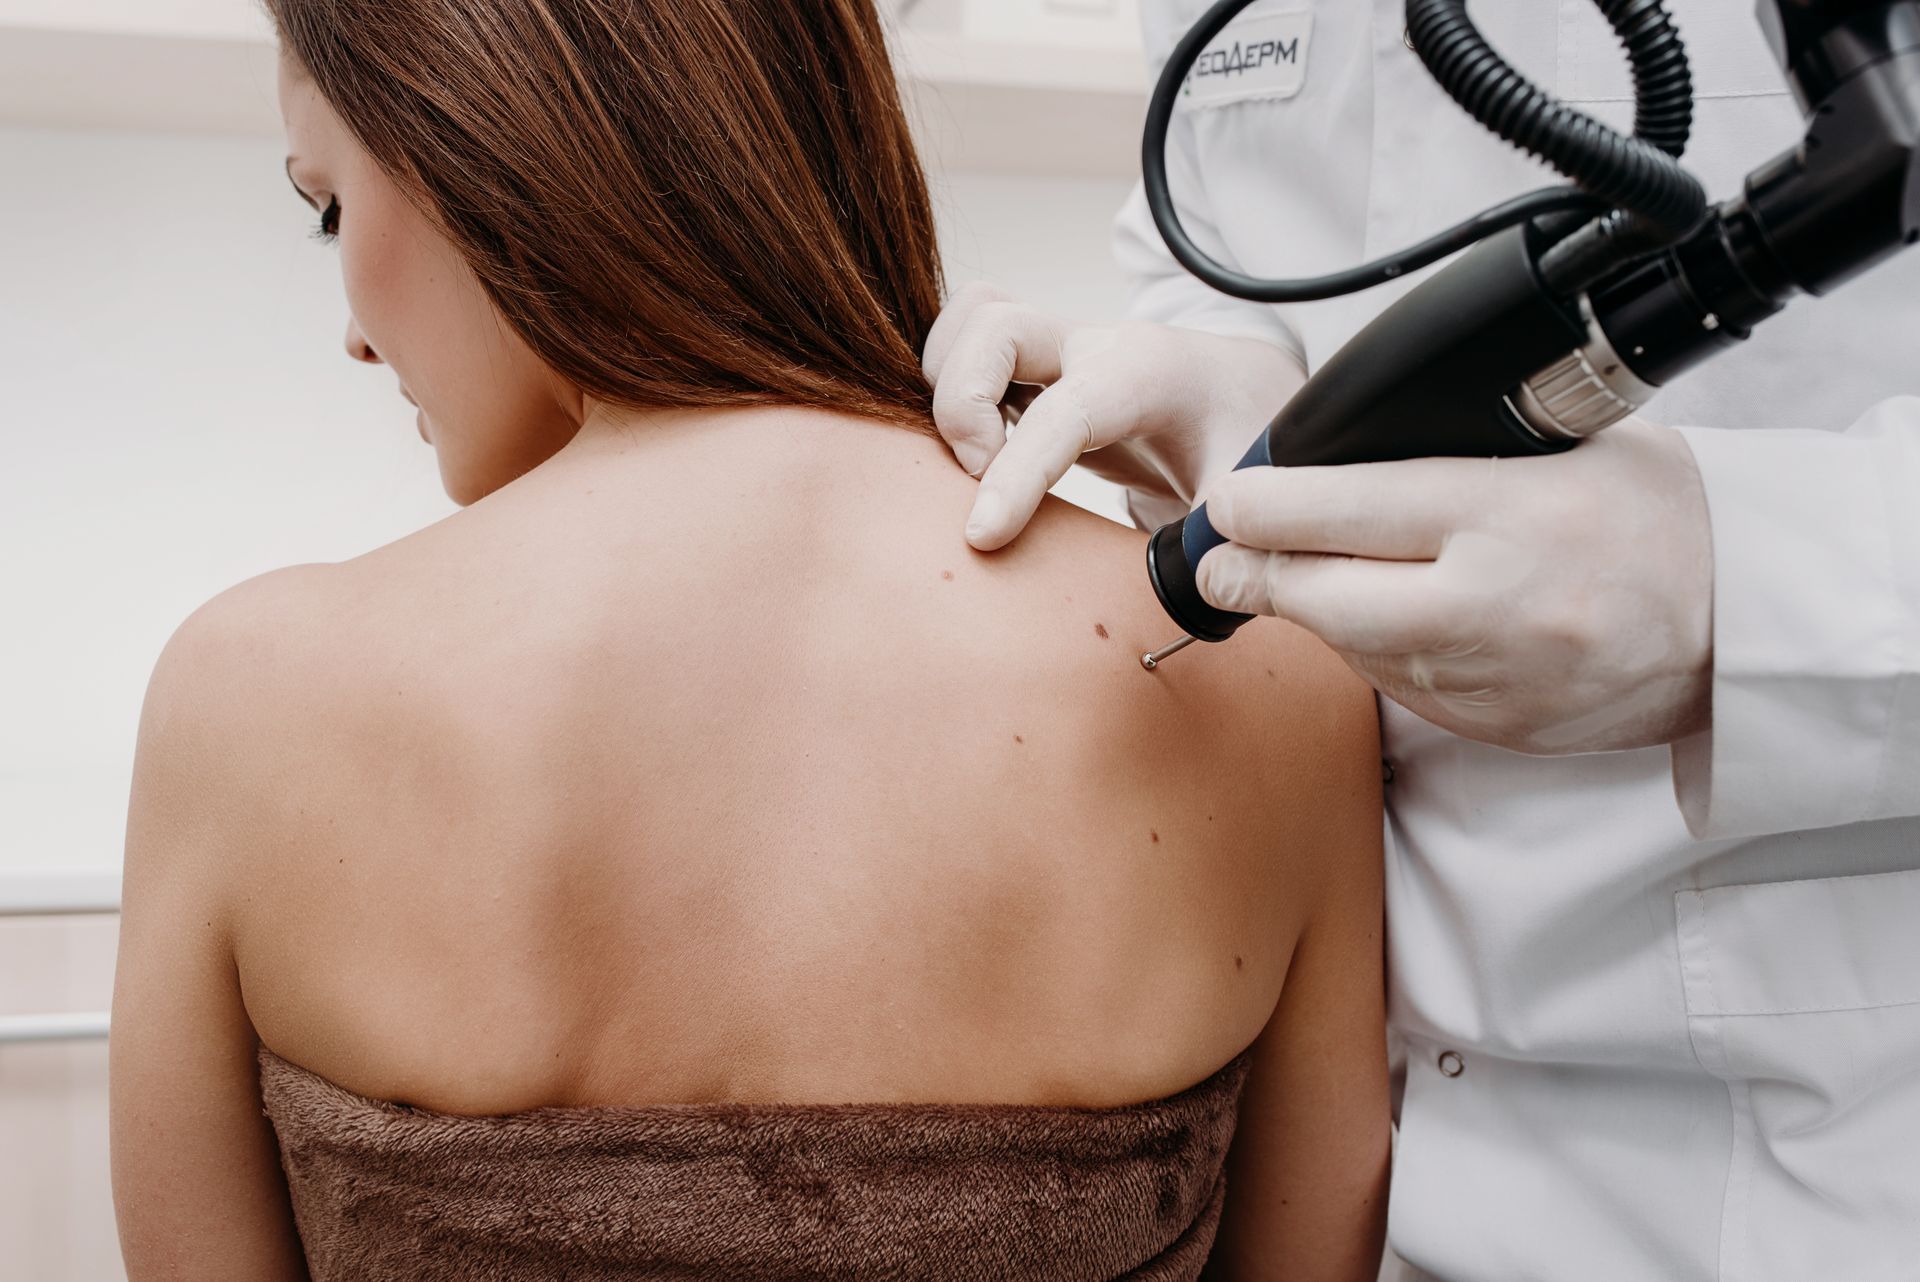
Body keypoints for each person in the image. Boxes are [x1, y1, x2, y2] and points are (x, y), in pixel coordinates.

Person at [108, 2, 1393, 1278]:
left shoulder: (248, 702)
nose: (350, 327)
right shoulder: (1268, 676)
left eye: (332, 205)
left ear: (472, 138)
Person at [922, 1, 1920, 1278]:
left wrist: (1750, 591)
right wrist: (1242, 390)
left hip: (1839, 1160)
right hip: (1383, 1162)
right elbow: (1237, 231)